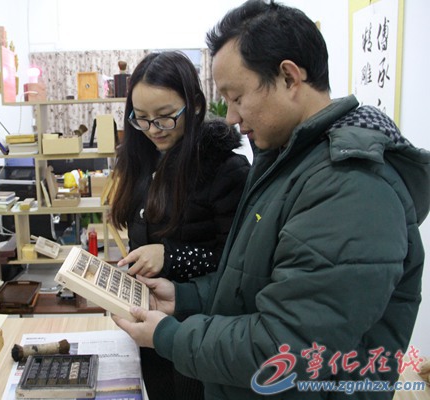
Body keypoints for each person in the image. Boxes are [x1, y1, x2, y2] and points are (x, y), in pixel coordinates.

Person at [113, 1, 430, 399]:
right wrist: (186, 296)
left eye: (237, 97)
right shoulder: (287, 164)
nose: (230, 117)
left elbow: (286, 347)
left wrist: (170, 336)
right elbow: (254, 282)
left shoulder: (350, 187)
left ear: (289, 77)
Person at [109, 51, 250, 400]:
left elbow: (238, 263)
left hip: (200, 331)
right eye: (141, 119)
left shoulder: (224, 169)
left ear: (195, 105)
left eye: (165, 117)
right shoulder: (142, 161)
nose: (153, 130)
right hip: (150, 323)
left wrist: (171, 256)